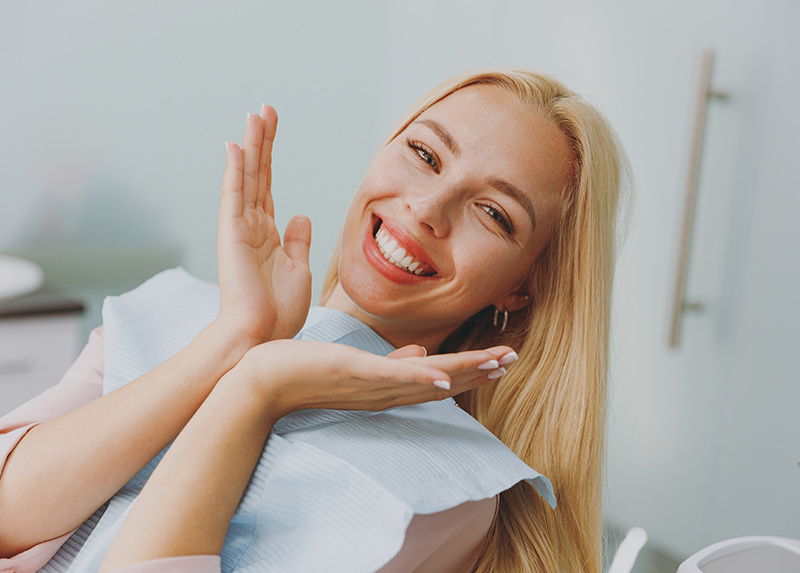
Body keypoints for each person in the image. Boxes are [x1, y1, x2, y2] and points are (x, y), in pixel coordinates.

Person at [0, 68, 626, 573]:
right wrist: (236, 339)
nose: (428, 208)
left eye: (493, 212)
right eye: (424, 153)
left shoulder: (445, 492)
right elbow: (8, 516)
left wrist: (256, 391)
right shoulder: (170, 313)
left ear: (523, 287)